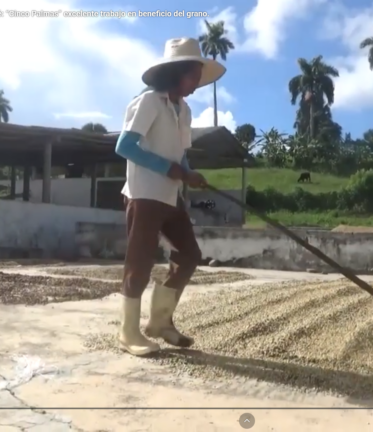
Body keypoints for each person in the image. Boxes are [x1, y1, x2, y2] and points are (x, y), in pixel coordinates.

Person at [114, 38, 226, 357]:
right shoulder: (149, 101)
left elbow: (181, 154)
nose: (196, 84)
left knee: (189, 255)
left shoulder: (184, 110)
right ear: (177, 73)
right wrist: (169, 168)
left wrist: (189, 173)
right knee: (140, 262)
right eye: (193, 76)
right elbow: (125, 146)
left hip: (170, 196)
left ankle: (160, 322)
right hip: (144, 194)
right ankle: (128, 332)